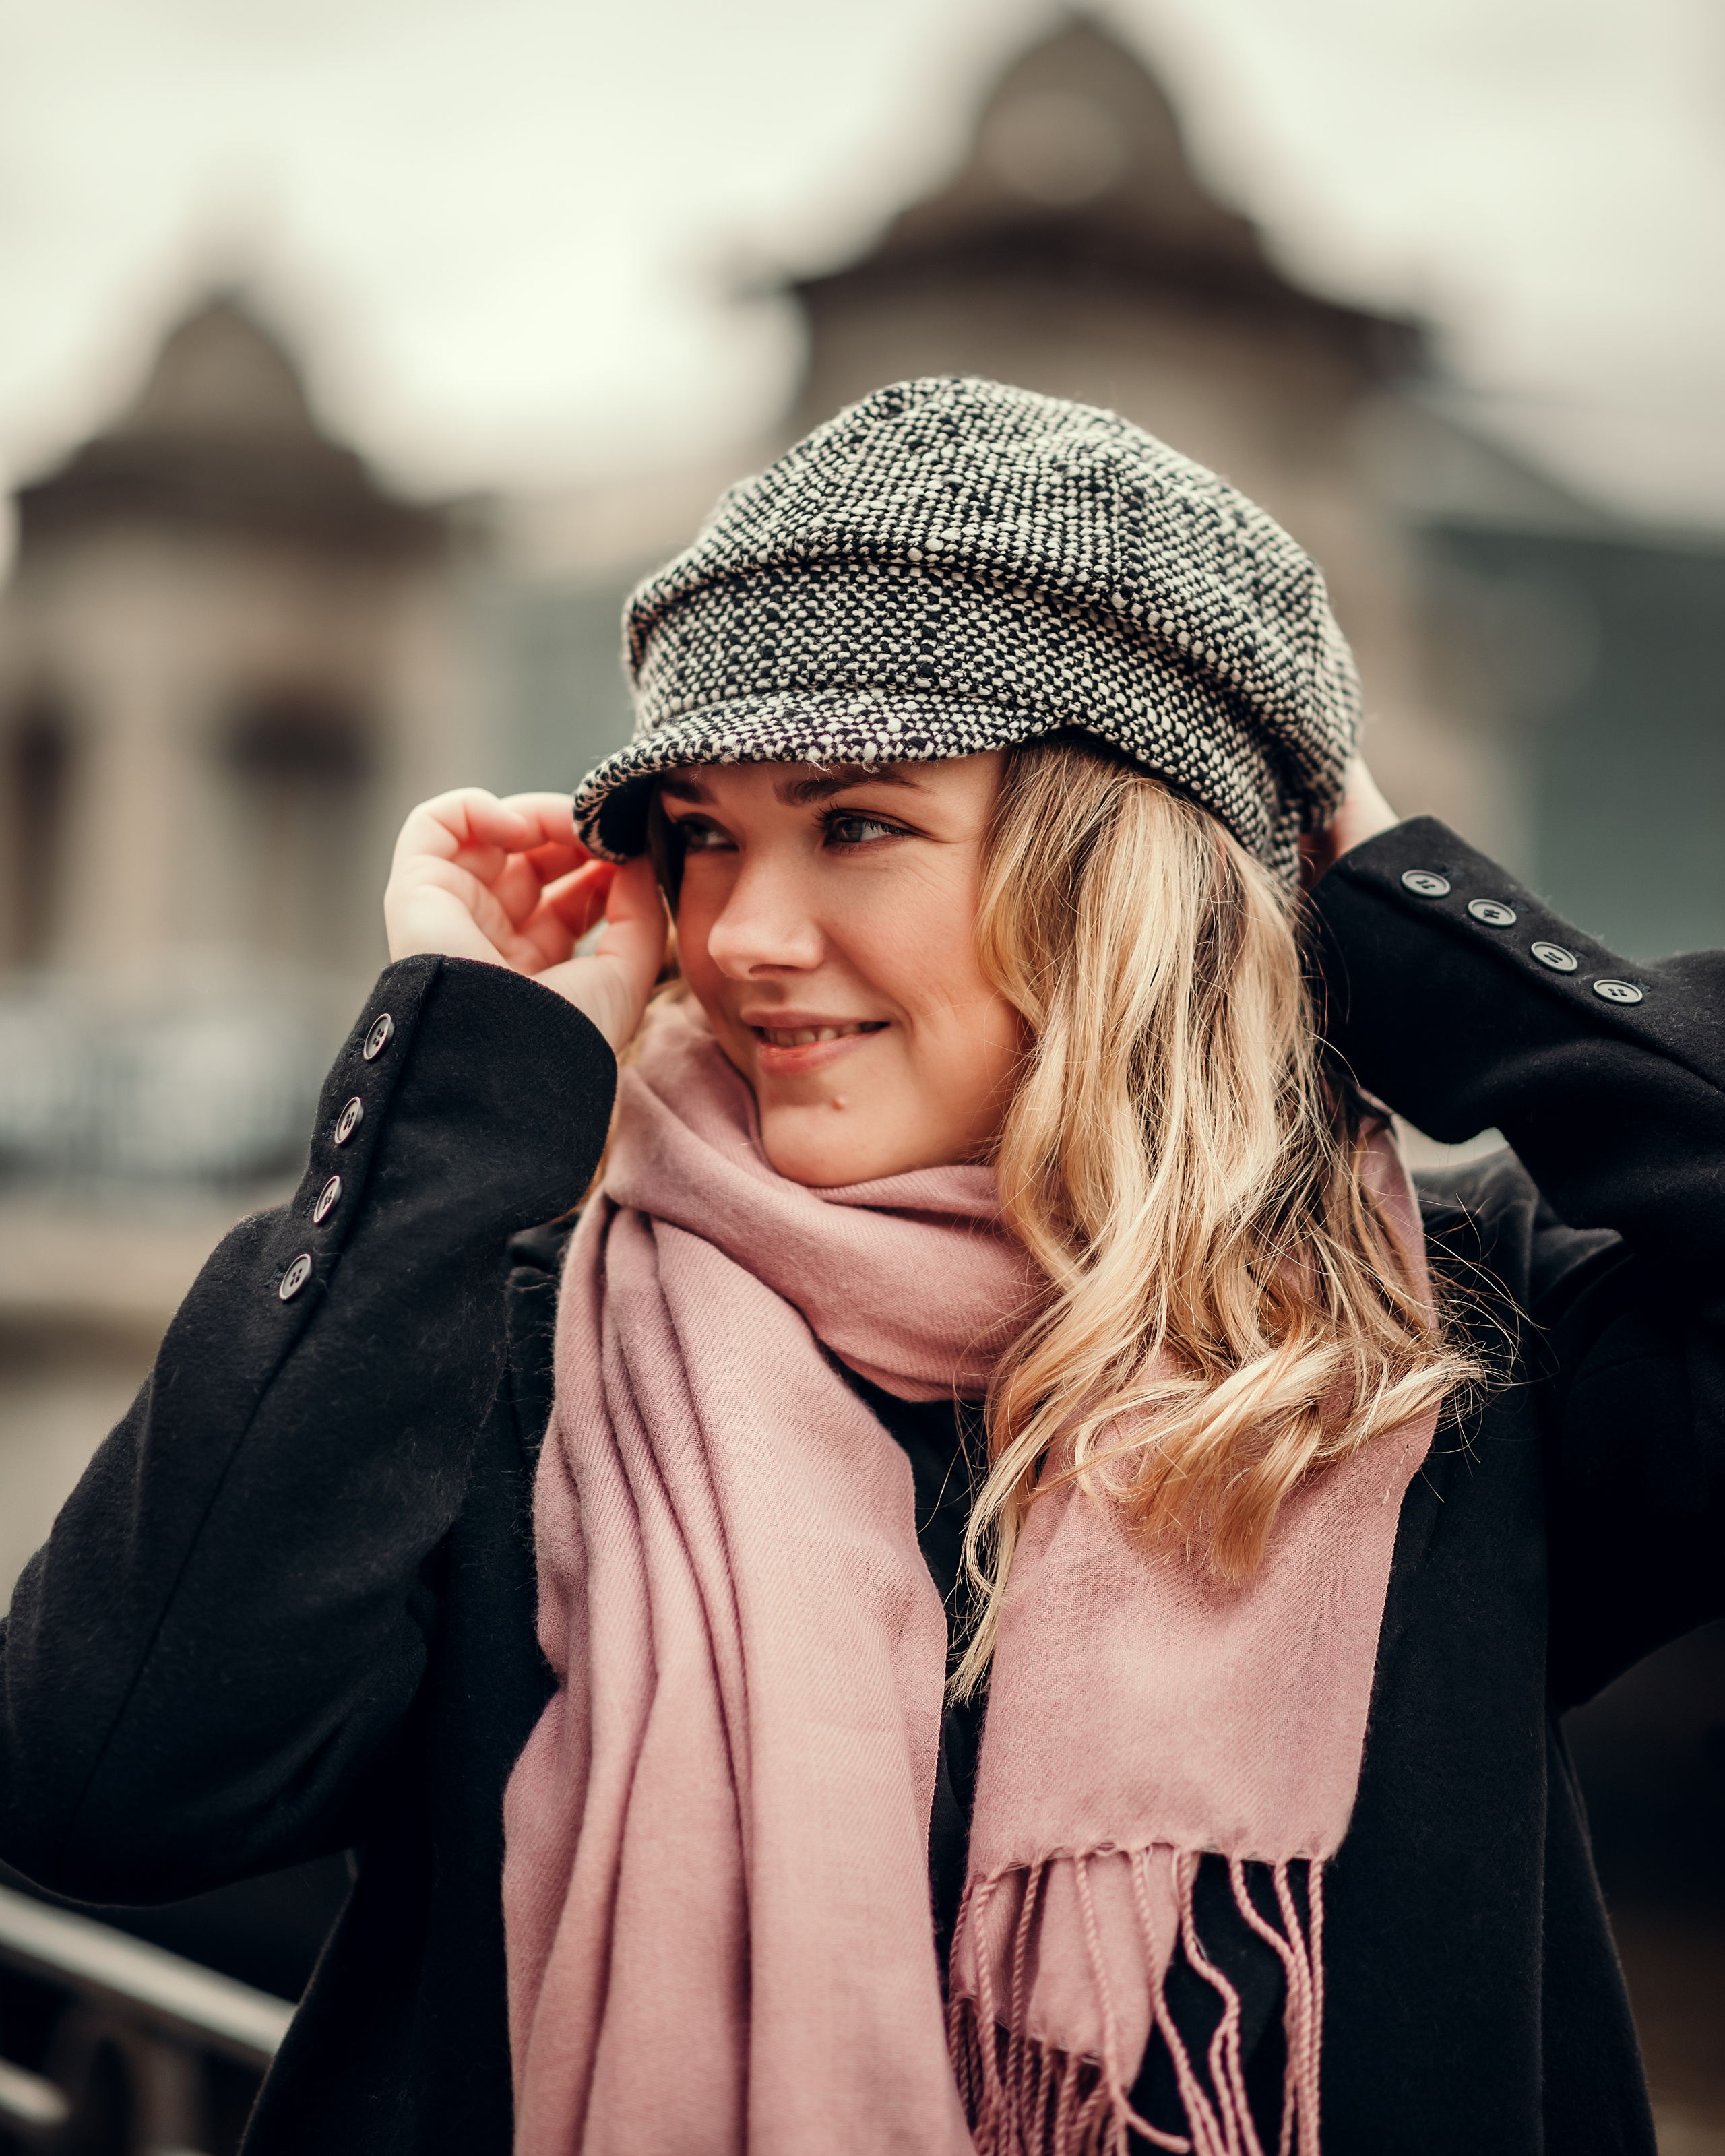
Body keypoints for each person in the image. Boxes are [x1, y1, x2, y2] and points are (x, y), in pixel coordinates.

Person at [0, 377, 1718, 2156]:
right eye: (703, 838)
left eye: (856, 824)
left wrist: (1412, 921)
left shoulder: (1438, 1359)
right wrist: (464, 1081)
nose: (742, 934)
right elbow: (106, 1777)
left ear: (1115, 871)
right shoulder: (522, 1348)